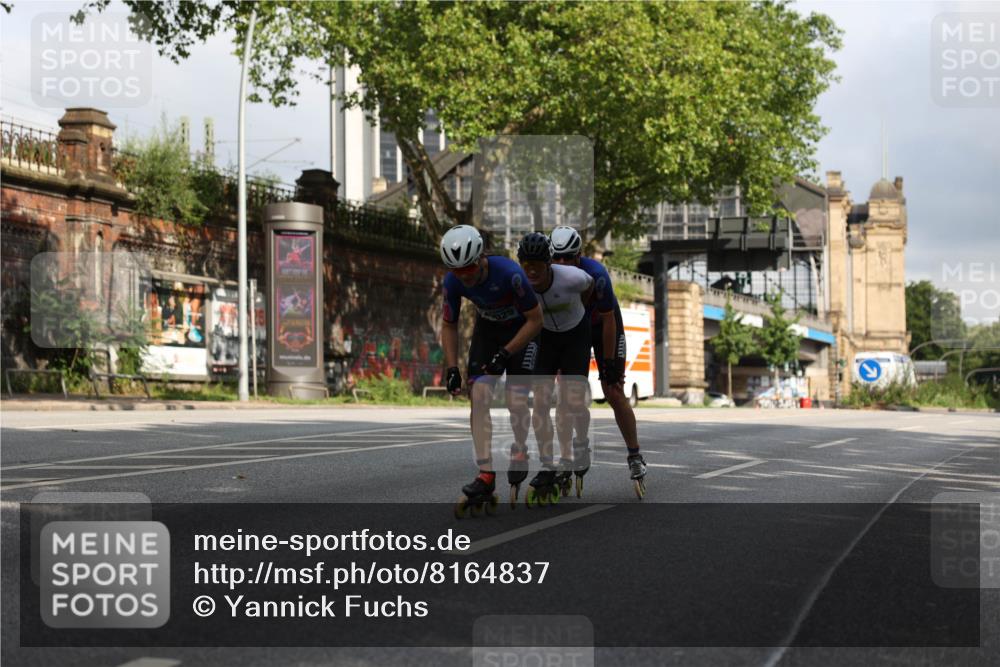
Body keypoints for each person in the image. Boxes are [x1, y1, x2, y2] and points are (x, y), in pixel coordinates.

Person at [440, 225, 544, 517]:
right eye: (457, 271)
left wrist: (506, 353)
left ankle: (520, 448)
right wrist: (451, 367)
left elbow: (536, 320)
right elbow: (449, 324)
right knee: (479, 394)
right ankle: (486, 474)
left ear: (481, 257)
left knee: (516, 398)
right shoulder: (453, 282)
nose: (465, 276)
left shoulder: (510, 273)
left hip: (523, 332)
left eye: (469, 268)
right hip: (489, 331)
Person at [550, 226, 647, 497]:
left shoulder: (597, 274)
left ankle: (635, 455)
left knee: (613, 390)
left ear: (579, 255)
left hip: (604, 325)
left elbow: (607, 321)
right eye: (556, 258)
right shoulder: (547, 275)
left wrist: (608, 365)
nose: (562, 264)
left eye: (568, 258)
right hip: (574, 329)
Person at [516, 232, 595, 505]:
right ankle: (549, 465)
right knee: (539, 404)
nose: (532, 270)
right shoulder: (520, 282)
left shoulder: (571, 277)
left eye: (537, 264)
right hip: (546, 337)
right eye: (526, 264)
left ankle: (581, 442)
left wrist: (579, 312)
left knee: (570, 403)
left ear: (549, 263)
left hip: (576, 336)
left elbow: (590, 286)